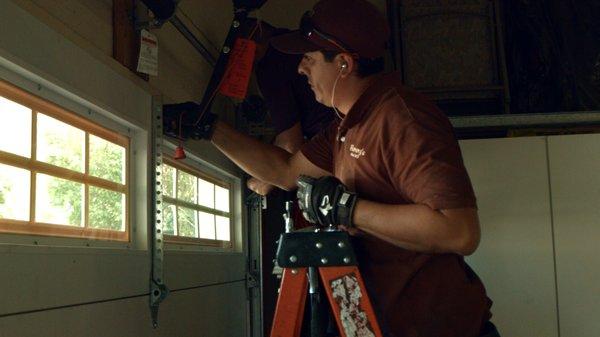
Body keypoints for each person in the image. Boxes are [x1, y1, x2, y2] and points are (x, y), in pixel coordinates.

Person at [165, 0, 499, 336]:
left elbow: (460, 231)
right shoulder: (346, 126)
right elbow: (286, 171)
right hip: (389, 321)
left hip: (439, 326)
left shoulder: (402, 119)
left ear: (343, 63)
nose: (300, 69)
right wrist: (210, 129)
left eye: (309, 59)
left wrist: (346, 210)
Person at [246, 22, 334, 196]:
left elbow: (290, 144)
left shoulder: (269, 65)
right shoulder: (290, 41)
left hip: (331, 144)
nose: (302, 69)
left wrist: (262, 180)